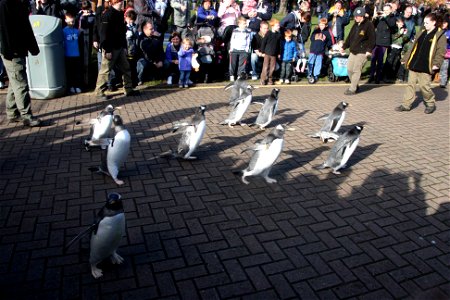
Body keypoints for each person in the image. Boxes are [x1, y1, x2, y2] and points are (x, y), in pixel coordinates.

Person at [0, 0, 42, 126]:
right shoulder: (5, 4)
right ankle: (26, 115)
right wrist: (9, 50)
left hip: (17, 48)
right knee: (20, 83)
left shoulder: (18, 3)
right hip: (12, 50)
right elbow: (4, 29)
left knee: (16, 82)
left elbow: (25, 26)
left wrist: (33, 47)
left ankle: (12, 112)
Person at [395, 13, 446, 114]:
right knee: (410, 85)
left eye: (427, 23)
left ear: (434, 23)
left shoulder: (440, 35)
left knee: (424, 86)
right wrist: (406, 58)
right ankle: (406, 105)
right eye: (424, 23)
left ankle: (430, 103)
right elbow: (413, 47)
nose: (425, 25)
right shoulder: (421, 32)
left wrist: (436, 64)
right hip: (415, 63)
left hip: (426, 65)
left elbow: (441, 52)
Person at [94, 0, 137, 100]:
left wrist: (125, 47)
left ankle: (128, 89)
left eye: (122, 1)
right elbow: (104, 34)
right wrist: (107, 50)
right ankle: (99, 91)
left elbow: (122, 33)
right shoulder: (107, 15)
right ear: (113, 3)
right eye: (119, 2)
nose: (122, 3)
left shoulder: (120, 14)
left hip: (119, 47)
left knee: (126, 68)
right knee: (105, 70)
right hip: (110, 48)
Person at [341, 7, 375, 95]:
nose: (356, 18)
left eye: (358, 16)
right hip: (353, 50)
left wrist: (369, 50)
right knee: (349, 69)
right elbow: (349, 37)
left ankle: (352, 89)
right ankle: (355, 85)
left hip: (363, 51)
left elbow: (372, 39)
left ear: (362, 16)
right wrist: (344, 46)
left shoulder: (369, 25)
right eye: (355, 16)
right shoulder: (355, 25)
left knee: (356, 69)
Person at [369, 3, 397, 84]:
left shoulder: (392, 18)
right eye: (384, 10)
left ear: (391, 10)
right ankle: (371, 76)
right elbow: (373, 25)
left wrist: (385, 16)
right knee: (373, 59)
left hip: (384, 42)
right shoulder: (380, 18)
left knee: (380, 60)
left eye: (387, 10)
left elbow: (392, 25)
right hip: (376, 40)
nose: (385, 12)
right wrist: (374, 18)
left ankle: (378, 77)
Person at [382, 16, 409, 83]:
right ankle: (385, 76)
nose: (402, 24)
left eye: (402, 23)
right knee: (389, 62)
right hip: (393, 47)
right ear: (397, 23)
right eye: (400, 23)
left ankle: (391, 76)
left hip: (399, 47)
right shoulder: (394, 29)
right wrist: (400, 33)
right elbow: (392, 38)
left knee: (395, 62)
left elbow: (404, 40)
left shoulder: (403, 29)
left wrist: (405, 35)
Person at [307, 17, 332, 84]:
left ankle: (316, 75)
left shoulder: (327, 32)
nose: (321, 26)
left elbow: (330, 41)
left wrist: (326, 43)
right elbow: (311, 38)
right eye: (320, 25)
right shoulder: (316, 30)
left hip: (321, 51)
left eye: (323, 25)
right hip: (313, 49)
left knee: (318, 64)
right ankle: (309, 74)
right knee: (310, 62)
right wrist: (316, 37)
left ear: (326, 25)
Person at [63, 12, 83, 94]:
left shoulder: (76, 31)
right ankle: (71, 86)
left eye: (73, 21)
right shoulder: (63, 31)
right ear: (65, 20)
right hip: (68, 54)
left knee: (76, 71)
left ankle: (77, 85)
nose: (71, 23)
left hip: (76, 54)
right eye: (70, 21)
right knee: (70, 72)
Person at [228, 17, 252, 81]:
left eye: (245, 23)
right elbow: (232, 40)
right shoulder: (235, 31)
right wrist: (231, 48)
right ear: (239, 24)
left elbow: (248, 40)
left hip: (243, 50)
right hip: (234, 49)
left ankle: (239, 75)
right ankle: (232, 75)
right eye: (244, 24)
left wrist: (247, 49)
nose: (245, 25)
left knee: (242, 64)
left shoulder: (247, 31)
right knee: (233, 63)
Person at [260, 19, 282, 85]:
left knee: (272, 67)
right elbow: (264, 42)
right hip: (267, 53)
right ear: (272, 26)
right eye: (277, 26)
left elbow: (279, 45)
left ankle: (270, 79)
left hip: (274, 54)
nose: (279, 27)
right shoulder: (268, 33)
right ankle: (263, 79)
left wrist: (279, 53)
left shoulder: (278, 35)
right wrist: (262, 51)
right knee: (265, 67)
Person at [125, 9, 139, 86]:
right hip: (126, 50)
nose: (131, 22)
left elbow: (136, 37)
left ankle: (133, 83)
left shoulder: (135, 27)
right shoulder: (124, 26)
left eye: (132, 20)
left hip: (133, 50)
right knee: (127, 67)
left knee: (133, 67)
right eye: (129, 20)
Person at [438, 14, 449, 89]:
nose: (443, 24)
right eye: (442, 23)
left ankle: (443, 82)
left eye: (445, 23)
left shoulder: (448, 32)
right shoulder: (438, 30)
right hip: (438, 51)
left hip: (446, 51)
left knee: (444, 67)